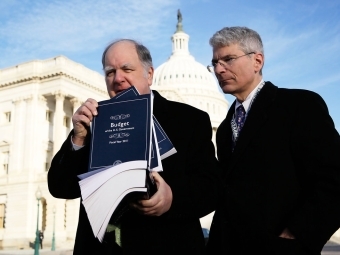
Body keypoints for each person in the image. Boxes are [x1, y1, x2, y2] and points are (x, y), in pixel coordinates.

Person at [48, 39, 219, 254]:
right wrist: (78, 138)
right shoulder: (94, 122)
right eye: (110, 72)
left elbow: (210, 189)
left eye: (127, 69)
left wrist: (171, 198)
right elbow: (60, 187)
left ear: (149, 74)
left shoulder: (189, 120)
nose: (118, 78)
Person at [205, 26, 340, 255]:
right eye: (215, 63)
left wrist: (295, 236)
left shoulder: (298, 106)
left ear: (257, 61)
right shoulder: (226, 128)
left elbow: (334, 178)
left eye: (228, 59)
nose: (219, 69)